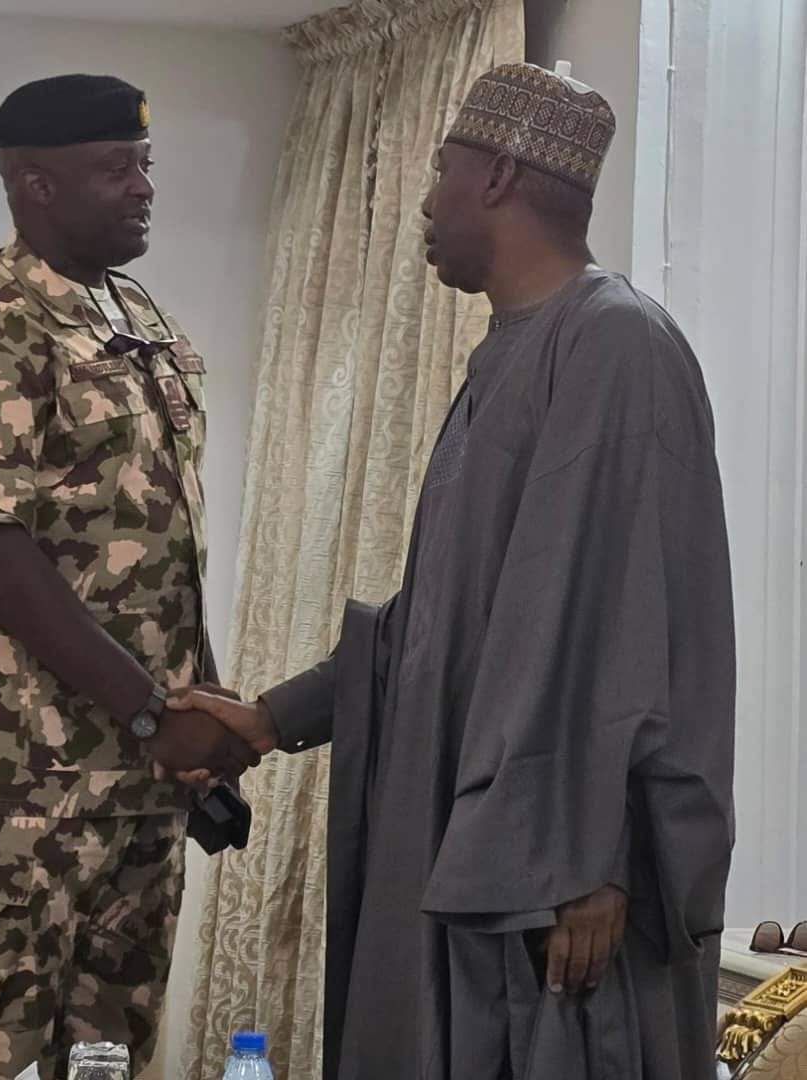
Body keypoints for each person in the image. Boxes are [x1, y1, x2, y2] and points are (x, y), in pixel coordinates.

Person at [172, 63, 736, 1080]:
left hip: (559, 898)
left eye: (440, 171)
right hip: (496, 860)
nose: (426, 204)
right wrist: (268, 719)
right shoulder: (507, 354)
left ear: (500, 175)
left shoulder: (616, 344)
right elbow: (442, 626)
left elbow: (626, 623)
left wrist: (596, 861)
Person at [0, 74, 257, 1080]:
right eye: (113, 168)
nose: (143, 187)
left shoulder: (131, 311)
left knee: (109, 1052)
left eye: (145, 164)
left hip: (136, 775)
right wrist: (149, 710)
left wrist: (190, 706)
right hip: (13, 775)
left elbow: (155, 537)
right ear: (33, 183)